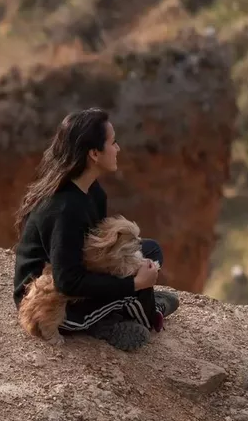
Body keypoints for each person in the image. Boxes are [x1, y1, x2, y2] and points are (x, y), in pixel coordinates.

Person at [13, 108, 179, 351]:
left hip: (76, 280)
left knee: (150, 250)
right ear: (94, 153)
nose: (118, 149)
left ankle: (126, 308)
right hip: (51, 305)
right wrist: (134, 285)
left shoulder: (93, 192)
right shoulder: (65, 209)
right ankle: (110, 322)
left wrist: (134, 268)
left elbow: (97, 254)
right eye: (113, 143)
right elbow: (67, 282)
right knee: (137, 283)